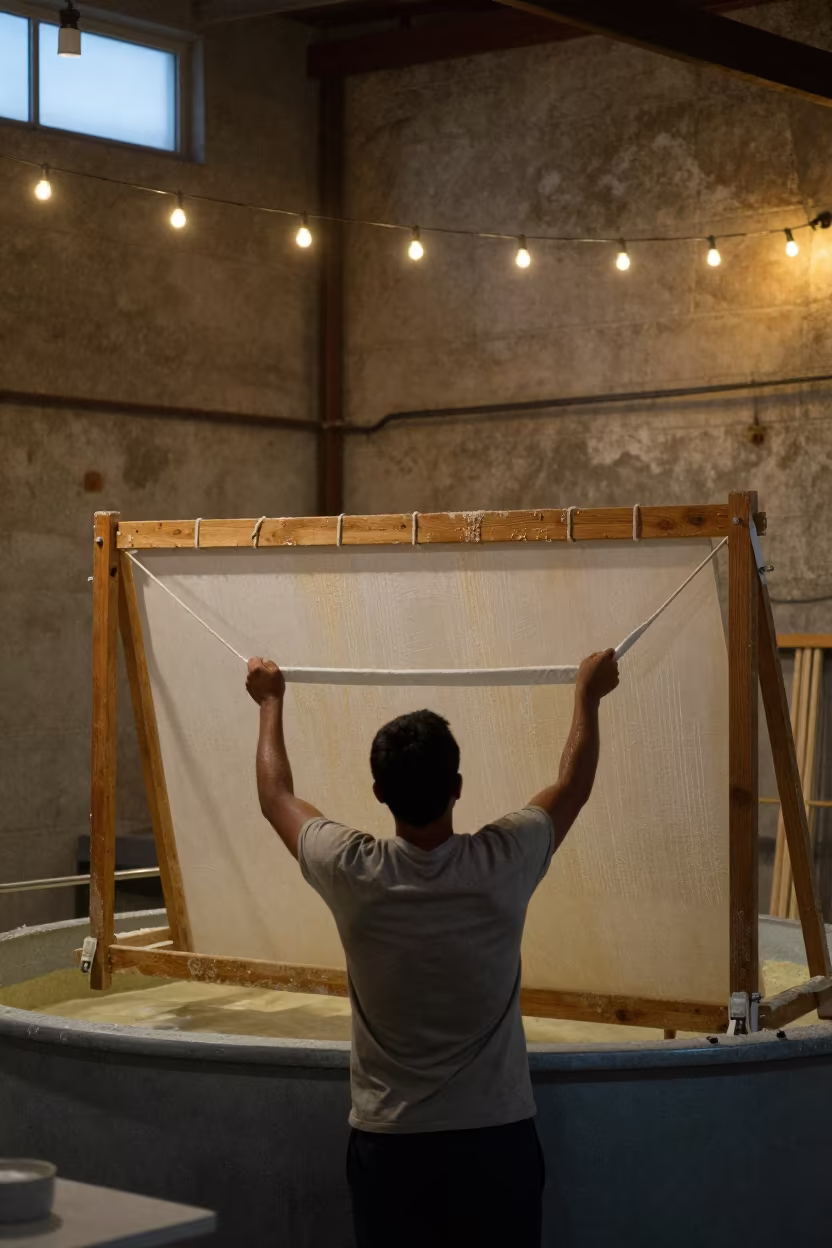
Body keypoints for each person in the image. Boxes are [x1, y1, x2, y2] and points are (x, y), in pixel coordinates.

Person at [245, 648, 619, 1248]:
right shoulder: (504, 861)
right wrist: (588, 697)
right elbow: (572, 783)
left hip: (390, 1145)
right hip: (497, 1143)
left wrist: (269, 702)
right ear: (458, 788)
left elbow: (276, 796)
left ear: (378, 791)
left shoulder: (352, 871)